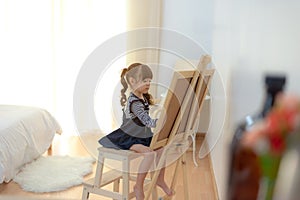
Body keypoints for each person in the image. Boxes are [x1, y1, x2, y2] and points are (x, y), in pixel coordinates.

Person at [99, 63, 173, 200]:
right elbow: (147, 121)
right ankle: (138, 186)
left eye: (150, 80)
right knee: (149, 155)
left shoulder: (142, 97)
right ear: (132, 81)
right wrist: (162, 121)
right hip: (129, 137)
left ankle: (160, 179)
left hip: (142, 135)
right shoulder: (134, 103)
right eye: (145, 80)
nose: (148, 83)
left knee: (161, 150)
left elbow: (151, 108)